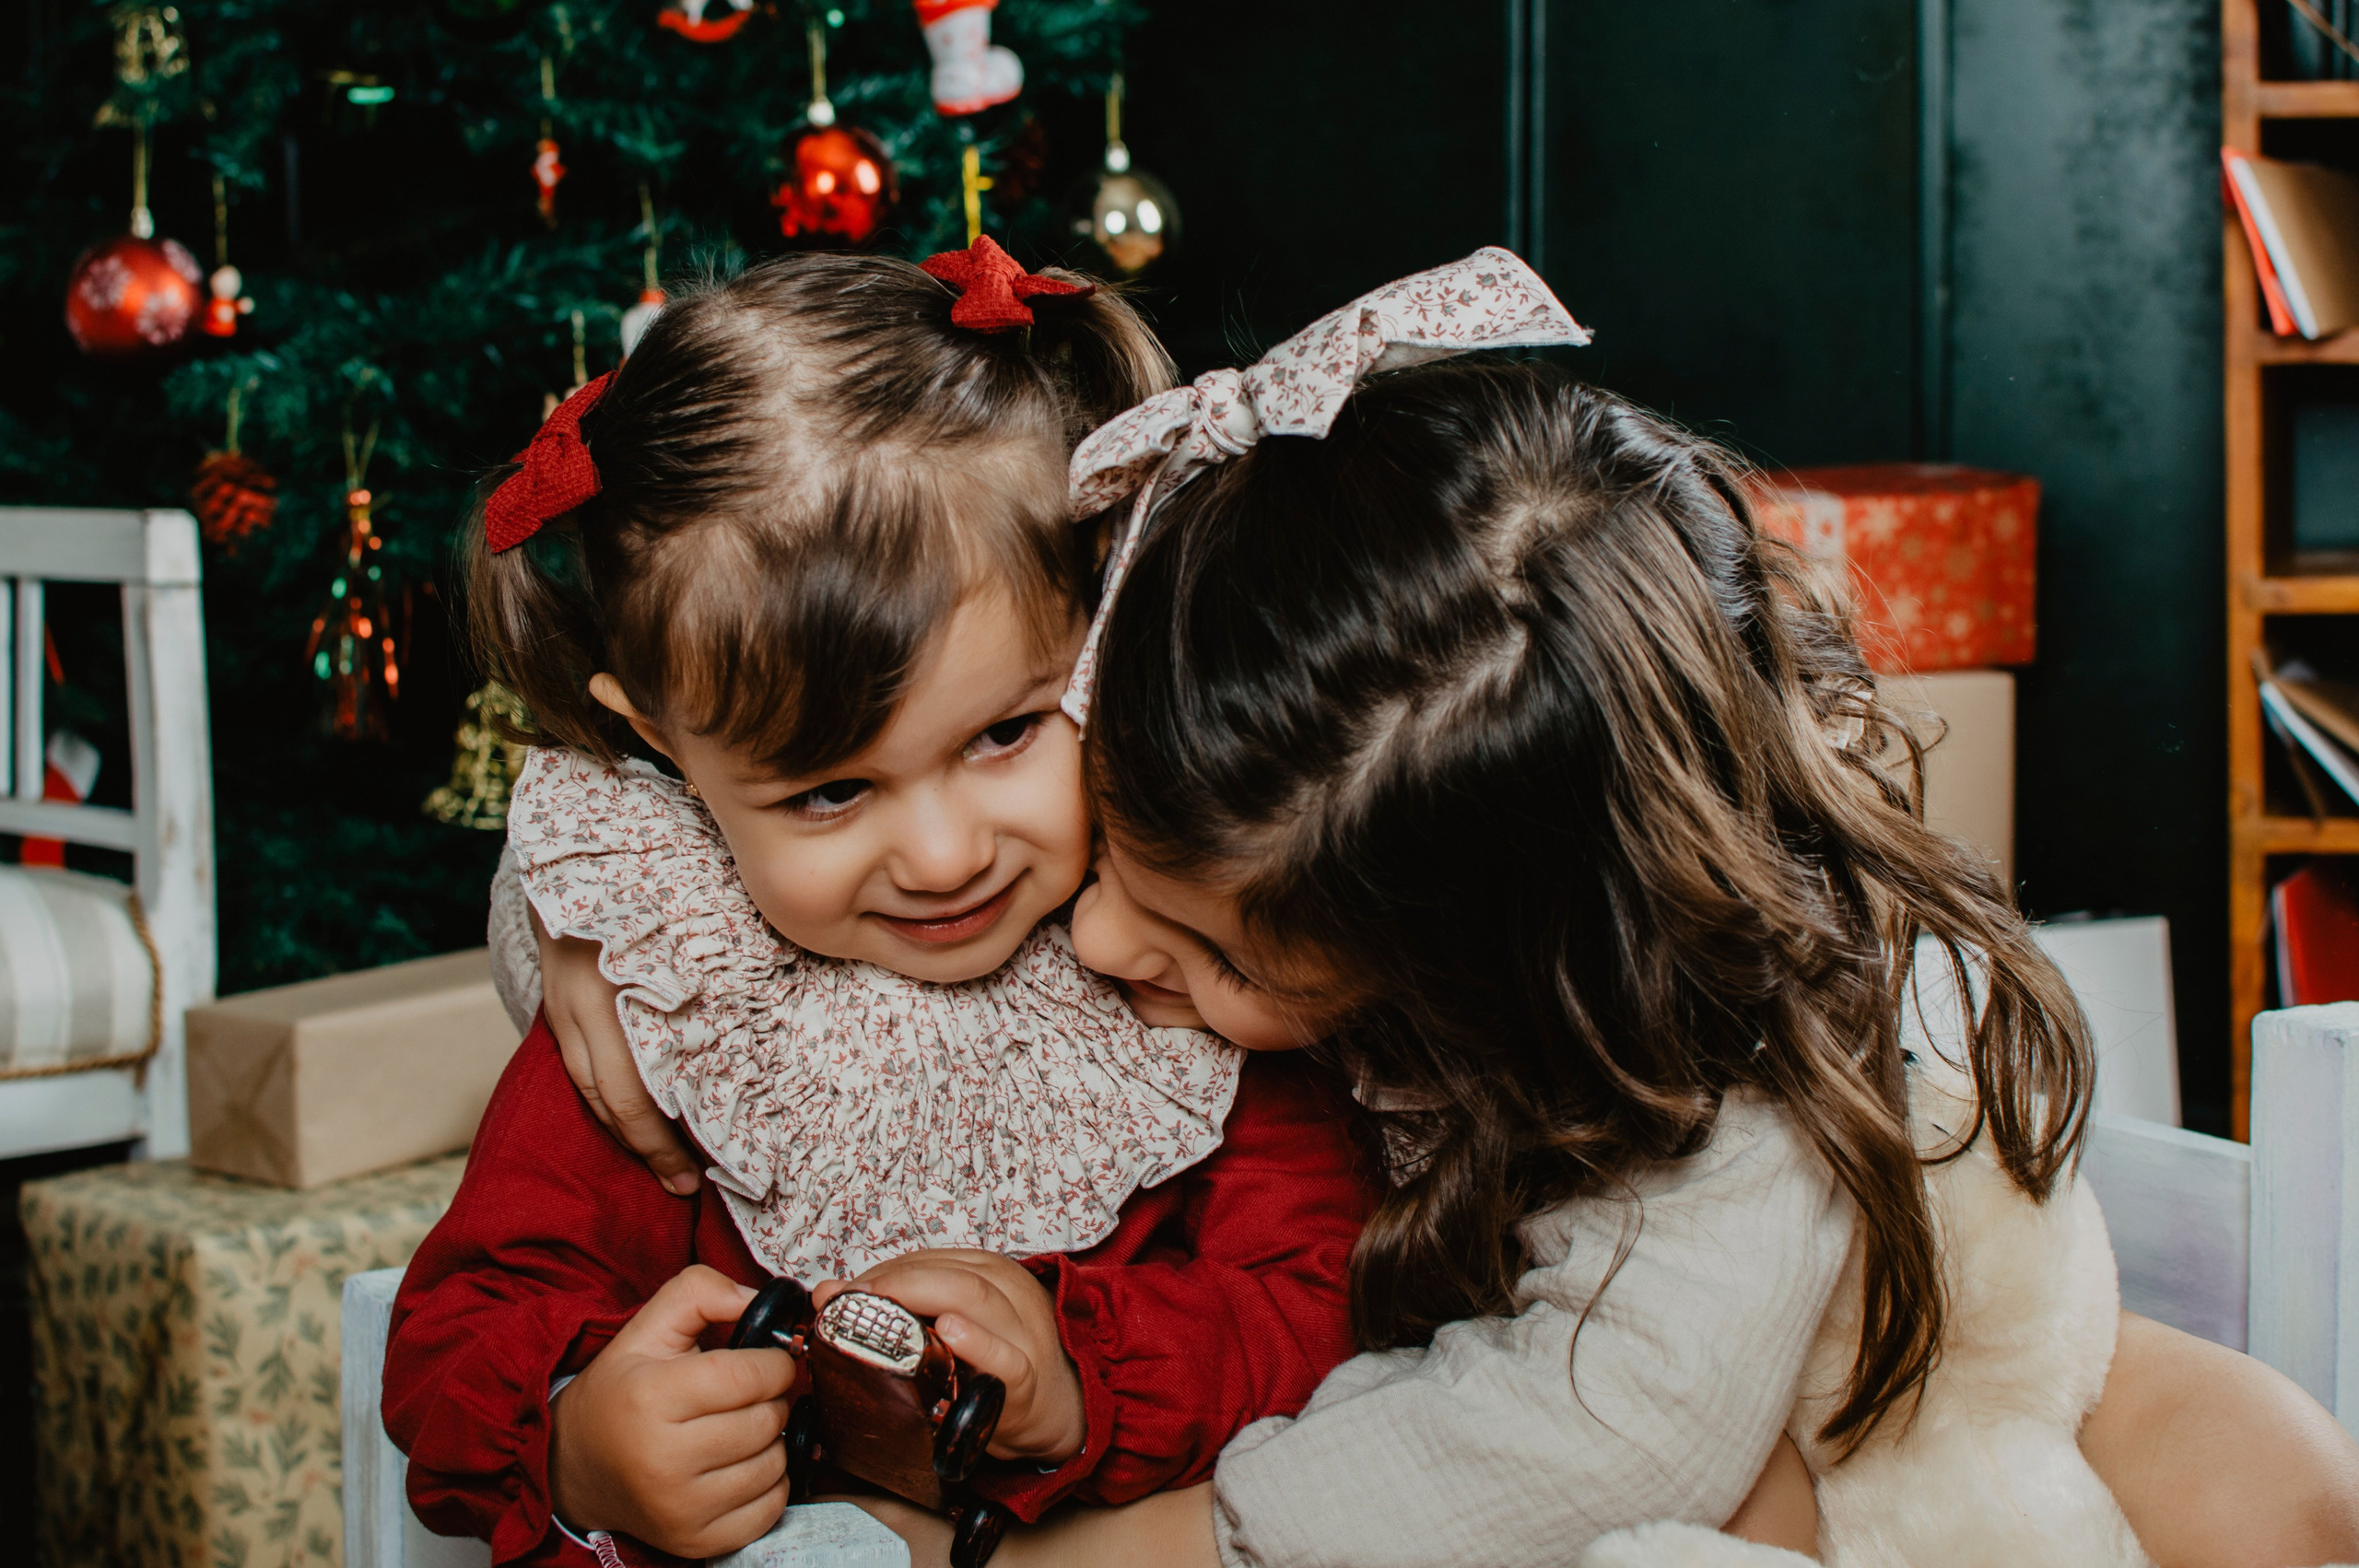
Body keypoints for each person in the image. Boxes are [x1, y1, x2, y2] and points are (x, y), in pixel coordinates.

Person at [553, 251, 2359, 1568]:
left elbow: (1571, 1439)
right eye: (1120, 855)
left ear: (1479, 974)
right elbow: (792, 723)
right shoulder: (1221, 635)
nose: (1097, 947)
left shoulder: (1699, 1054)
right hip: (1583, 1402)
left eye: (1208, 954)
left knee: (2251, 1468)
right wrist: (557, 908)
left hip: (1747, 1397)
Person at [382, 244, 1391, 1568]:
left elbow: (1330, 1306)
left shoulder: (1184, 957)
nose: (939, 853)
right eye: (826, 793)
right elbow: (463, 1322)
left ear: (1103, 621)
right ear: (672, 752)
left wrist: (1086, 1375)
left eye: (1005, 734)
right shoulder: (669, 987)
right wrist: (580, 1439)